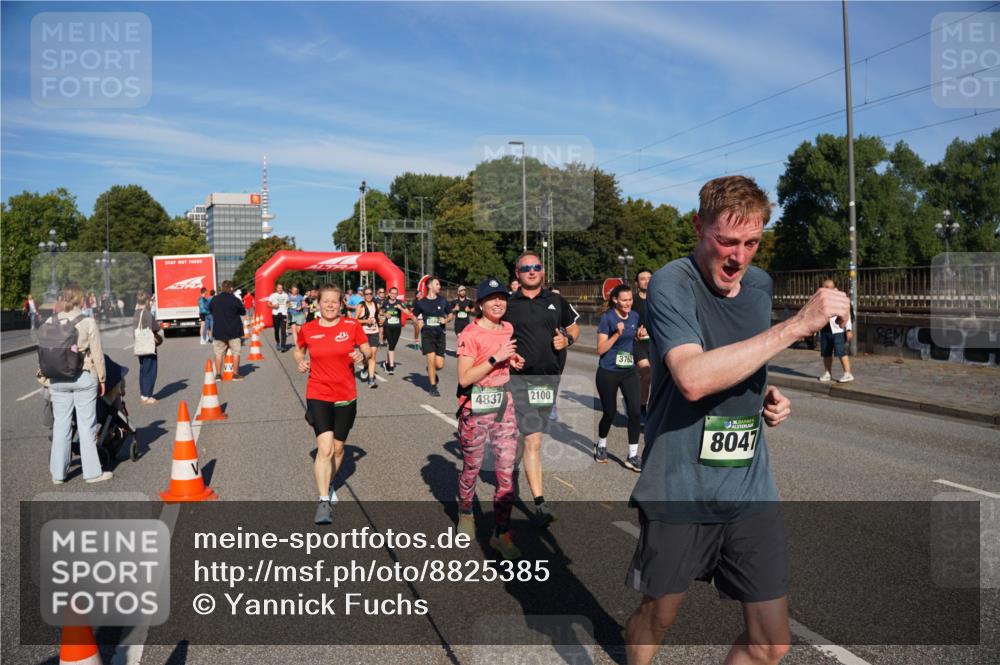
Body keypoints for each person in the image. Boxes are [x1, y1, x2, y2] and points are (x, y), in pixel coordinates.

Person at [625, 175, 850, 665]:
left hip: (749, 487)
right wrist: (794, 327)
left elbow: (743, 358)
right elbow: (691, 377)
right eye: (726, 241)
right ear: (698, 227)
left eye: (752, 243)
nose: (739, 257)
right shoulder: (671, 282)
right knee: (658, 616)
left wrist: (764, 392)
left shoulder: (760, 286)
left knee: (772, 643)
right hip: (680, 485)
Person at [503, 253, 580, 526]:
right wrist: (505, 355)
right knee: (532, 439)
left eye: (536, 267)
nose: (531, 271)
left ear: (542, 271)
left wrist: (567, 339)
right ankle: (539, 502)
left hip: (548, 380)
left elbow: (574, 328)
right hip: (518, 379)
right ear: (517, 272)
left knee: (531, 438)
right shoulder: (509, 305)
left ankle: (513, 465)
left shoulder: (556, 301)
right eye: (526, 268)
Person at [455, 277, 526, 559]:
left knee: (506, 472)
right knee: (471, 468)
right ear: (481, 304)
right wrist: (496, 358)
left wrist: (512, 359)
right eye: (492, 298)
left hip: (504, 406)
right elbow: (464, 377)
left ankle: (501, 533)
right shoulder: (469, 334)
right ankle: (466, 513)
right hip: (475, 407)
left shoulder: (508, 327)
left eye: (502, 298)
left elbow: (504, 356)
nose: (499, 302)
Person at [294, 284, 371, 524]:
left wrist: (362, 355)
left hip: (346, 395)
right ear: (318, 304)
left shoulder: (352, 325)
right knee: (325, 449)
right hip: (318, 393)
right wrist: (301, 360)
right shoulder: (308, 328)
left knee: (338, 449)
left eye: (334, 301)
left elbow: (367, 348)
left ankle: (328, 482)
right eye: (325, 301)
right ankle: (323, 500)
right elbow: (298, 351)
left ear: (341, 304)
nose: (329, 305)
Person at [47, 284, 113, 484]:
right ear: (80, 300)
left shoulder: (51, 320)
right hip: (83, 376)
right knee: (86, 425)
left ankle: (58, 474)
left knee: (61, 425)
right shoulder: (87, 322)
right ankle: (92, 473)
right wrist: (102, 379)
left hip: (57, 379)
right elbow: (97, 355)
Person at [594, 285, 642, 471]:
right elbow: (600, 349)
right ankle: (601, 444)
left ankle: (632, 455)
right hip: (608, 372)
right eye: (624, 300)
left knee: (635, 412)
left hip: (628, 370)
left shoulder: (635, 316)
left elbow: (632, 340)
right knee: (610, 413)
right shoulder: (607, 318)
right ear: (615, 300)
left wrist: (638, 336)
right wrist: (616, 334)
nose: (628, 303)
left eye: (630, 299)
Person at [411, 277, 452, 397]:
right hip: (427, 335)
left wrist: (446, 319)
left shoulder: (443, 301)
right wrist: (417, 322)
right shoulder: (421, 302)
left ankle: (430, 370)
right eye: (437, 284)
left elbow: (450, 314)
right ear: (429, 286)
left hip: (440, 335)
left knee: (439, 364)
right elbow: (413, 315)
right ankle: (433, 387)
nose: (439, 286)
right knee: (430, 359)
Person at [818, 279, 855, 383]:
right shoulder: (821, 300)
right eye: (824, 287)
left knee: (840, 352)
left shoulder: (841, 299)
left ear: (834, 288)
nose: (825, 290)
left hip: (838, 329)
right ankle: (827, 373)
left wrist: (848, 330)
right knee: (826, 353)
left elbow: (847, 315)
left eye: (827, 288)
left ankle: (848, 373)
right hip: (825, 329)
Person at [209, 281, 247, 380]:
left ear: (221, 288)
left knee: (218, 354)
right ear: (231, 288)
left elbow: (210, 310)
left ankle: (218, 375)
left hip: (219, 331)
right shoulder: (235, 300)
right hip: (234, 331)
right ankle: (235, 374)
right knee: (236, 353)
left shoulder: (215, 299)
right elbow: (243, 312)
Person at [632, 268, 654, 427]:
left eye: (649, 278)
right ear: (637, 282)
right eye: (642, 278)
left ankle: (649, 407)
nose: (646, 281)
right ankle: (641, 408)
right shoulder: (631, 301)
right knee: (646, 374)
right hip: (637, 343)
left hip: (656, 343)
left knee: (655, 379)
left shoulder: (659, 299)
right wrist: (634, 332)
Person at [133, 290, 162, 404]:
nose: (150, 303)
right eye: (149, 301)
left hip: (140, 345)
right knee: (150, 370)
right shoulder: (147, 313)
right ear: (146, 301)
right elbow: (156, 328)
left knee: (143, 370)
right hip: (148, 345)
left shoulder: (136, 313)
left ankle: (143, 393)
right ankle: (147, 395)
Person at [379, 287, 409, 375]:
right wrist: (385, 314)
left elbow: (407, 313)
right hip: (387, 326)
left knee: (392, 346)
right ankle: (391, 366)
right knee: (391, 345)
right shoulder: (385, 302)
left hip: (397, 327)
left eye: (395, 293)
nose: (393, 295)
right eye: (392, 293)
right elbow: (380, 311)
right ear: (389, 294)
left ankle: (386, 362)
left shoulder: (399, 303)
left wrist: (401, 309)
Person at [355, 287, 381, 389]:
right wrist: (366, 321)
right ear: (364, 295)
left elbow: (378, 316)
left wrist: (381, 319)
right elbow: (355, 320)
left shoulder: (376, 304)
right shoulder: (361, 306)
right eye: (366, 294)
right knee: (367, 355)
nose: (369, 295)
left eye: (370, 293)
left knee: (373, 355)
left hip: (374, 332)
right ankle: (366, 366)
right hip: (363, 333)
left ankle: (371, 380)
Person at [267, 283, 289, 351]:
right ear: (276, 288)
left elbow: (288, 303)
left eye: (281, 288)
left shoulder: (285, 295)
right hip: (275, 314)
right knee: (276, 330)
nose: (280, 289)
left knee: (283, 330)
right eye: (279, 288)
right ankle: (278, 342)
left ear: (282, 288)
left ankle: (283, 345)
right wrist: (274, 306)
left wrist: (288, 307)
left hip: (283, 314)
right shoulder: (273, 295)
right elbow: (268, 304)